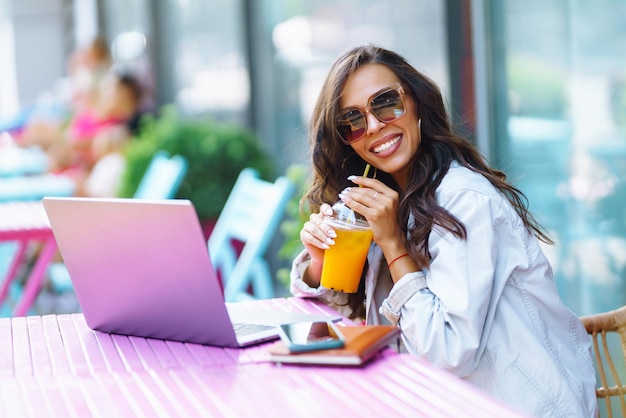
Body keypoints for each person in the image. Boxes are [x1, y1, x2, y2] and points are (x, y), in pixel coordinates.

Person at [291, 45, 598, 417]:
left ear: (417, 102)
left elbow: (448, 352)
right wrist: (320, 264)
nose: (373, 126)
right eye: (352, 121)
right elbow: (337, 325)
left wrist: (393, 243)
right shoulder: (383, 199)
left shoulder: (464, 200)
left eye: (386, 102)